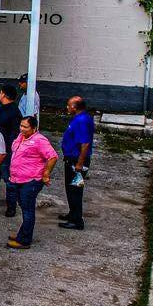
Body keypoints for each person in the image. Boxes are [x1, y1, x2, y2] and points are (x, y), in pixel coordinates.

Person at [7, 115, 59, 249]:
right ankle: (22, 234)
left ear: (34, 128)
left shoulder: (40, 140)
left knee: (28, 210)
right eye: (21, 126)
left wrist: (46, 174)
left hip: (31, 180)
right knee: (24, 207)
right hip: (19, 179)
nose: (22, 129)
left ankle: (24, 240)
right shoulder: (21, 136)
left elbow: (52, 157)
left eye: (25, 127)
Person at [60, 96, 94, 230]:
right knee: (70, 188)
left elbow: (85, 144)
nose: (67, 107)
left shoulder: (82, 120)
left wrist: (79, 164)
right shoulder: (80, 117)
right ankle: (72, 213)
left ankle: (77, 220)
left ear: (75, 107)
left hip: (76, 160)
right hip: (71, 158)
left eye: (69, 105)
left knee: (75, 190)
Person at [0, 84, 23, 215]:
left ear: (3, 94)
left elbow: (14, 133)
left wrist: (10, 150)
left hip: (6, 150)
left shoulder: (13, 112)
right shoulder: (2, 109)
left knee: (8, 179)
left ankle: (11, 206)